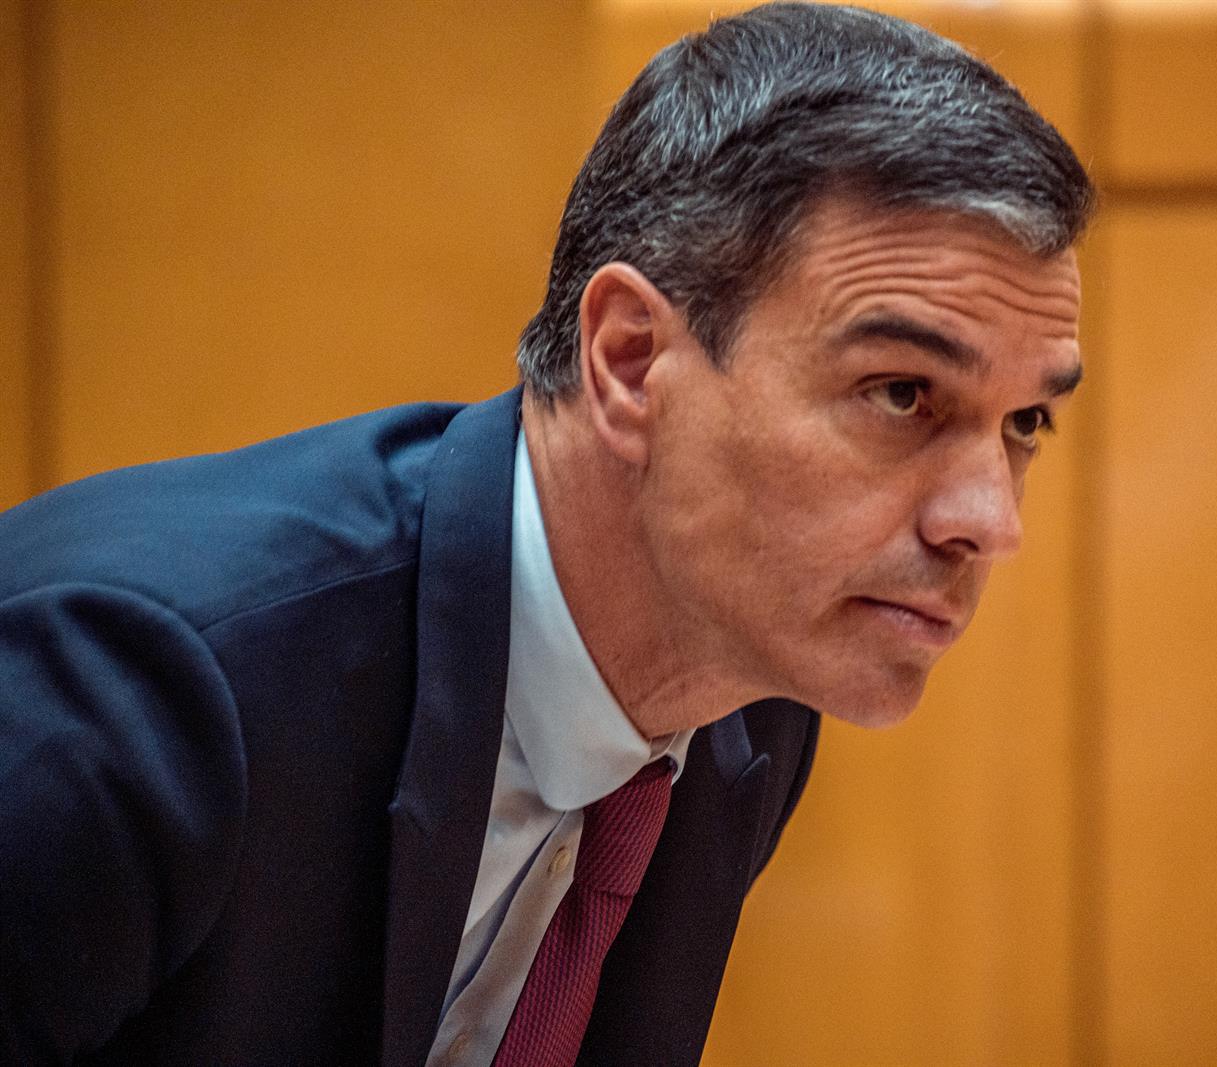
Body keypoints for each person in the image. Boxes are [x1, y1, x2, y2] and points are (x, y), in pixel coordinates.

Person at [0, 3, 1093, 1064]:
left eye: (1025, 422)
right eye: (902, 392)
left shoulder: (756, 701)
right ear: (629, 360)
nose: (990, 522)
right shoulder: (136, 695)